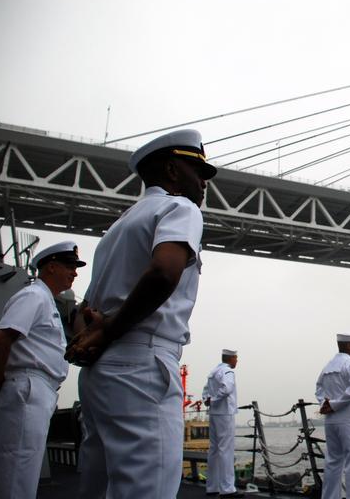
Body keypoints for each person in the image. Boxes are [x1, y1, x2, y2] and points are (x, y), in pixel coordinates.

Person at [64, 129, 216, 498]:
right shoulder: (180, 209)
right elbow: (164, 273)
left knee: (98, 487)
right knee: (148, 489)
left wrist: (90, 336)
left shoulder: (116, 229)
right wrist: (110, 329)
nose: (204, 183)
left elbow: (84, 310)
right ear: (172, 170)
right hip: (143, 367)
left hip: (100, 375)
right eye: (198, 172)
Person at [0, 241, 86, 499]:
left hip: (36, 391)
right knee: (17, 471)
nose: (74, 272)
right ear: (51, 267)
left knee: (23, 469)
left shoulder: (45, 300)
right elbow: (1, 339)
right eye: (69, 266)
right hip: (28, 388)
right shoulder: (34, 296)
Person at [315, 332, 350, 499]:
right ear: (349, 345)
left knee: (332, 463)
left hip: (330, 422)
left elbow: (318, 388)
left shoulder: (327, 367)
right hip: (349, 420)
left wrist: (324, 404)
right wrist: (334, 405)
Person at [202, 349, 242, 498]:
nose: (237, 361)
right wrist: (214, 399)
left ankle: (212, 486)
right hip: (225, 413)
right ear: (230, 359)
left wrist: (208, 399)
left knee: (214, 450)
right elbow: (227, 389)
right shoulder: (227, 371)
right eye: (236, 358)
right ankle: (227, 489)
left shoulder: (213, 371)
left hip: (214, 413)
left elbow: (205, 390)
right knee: (226, 450)